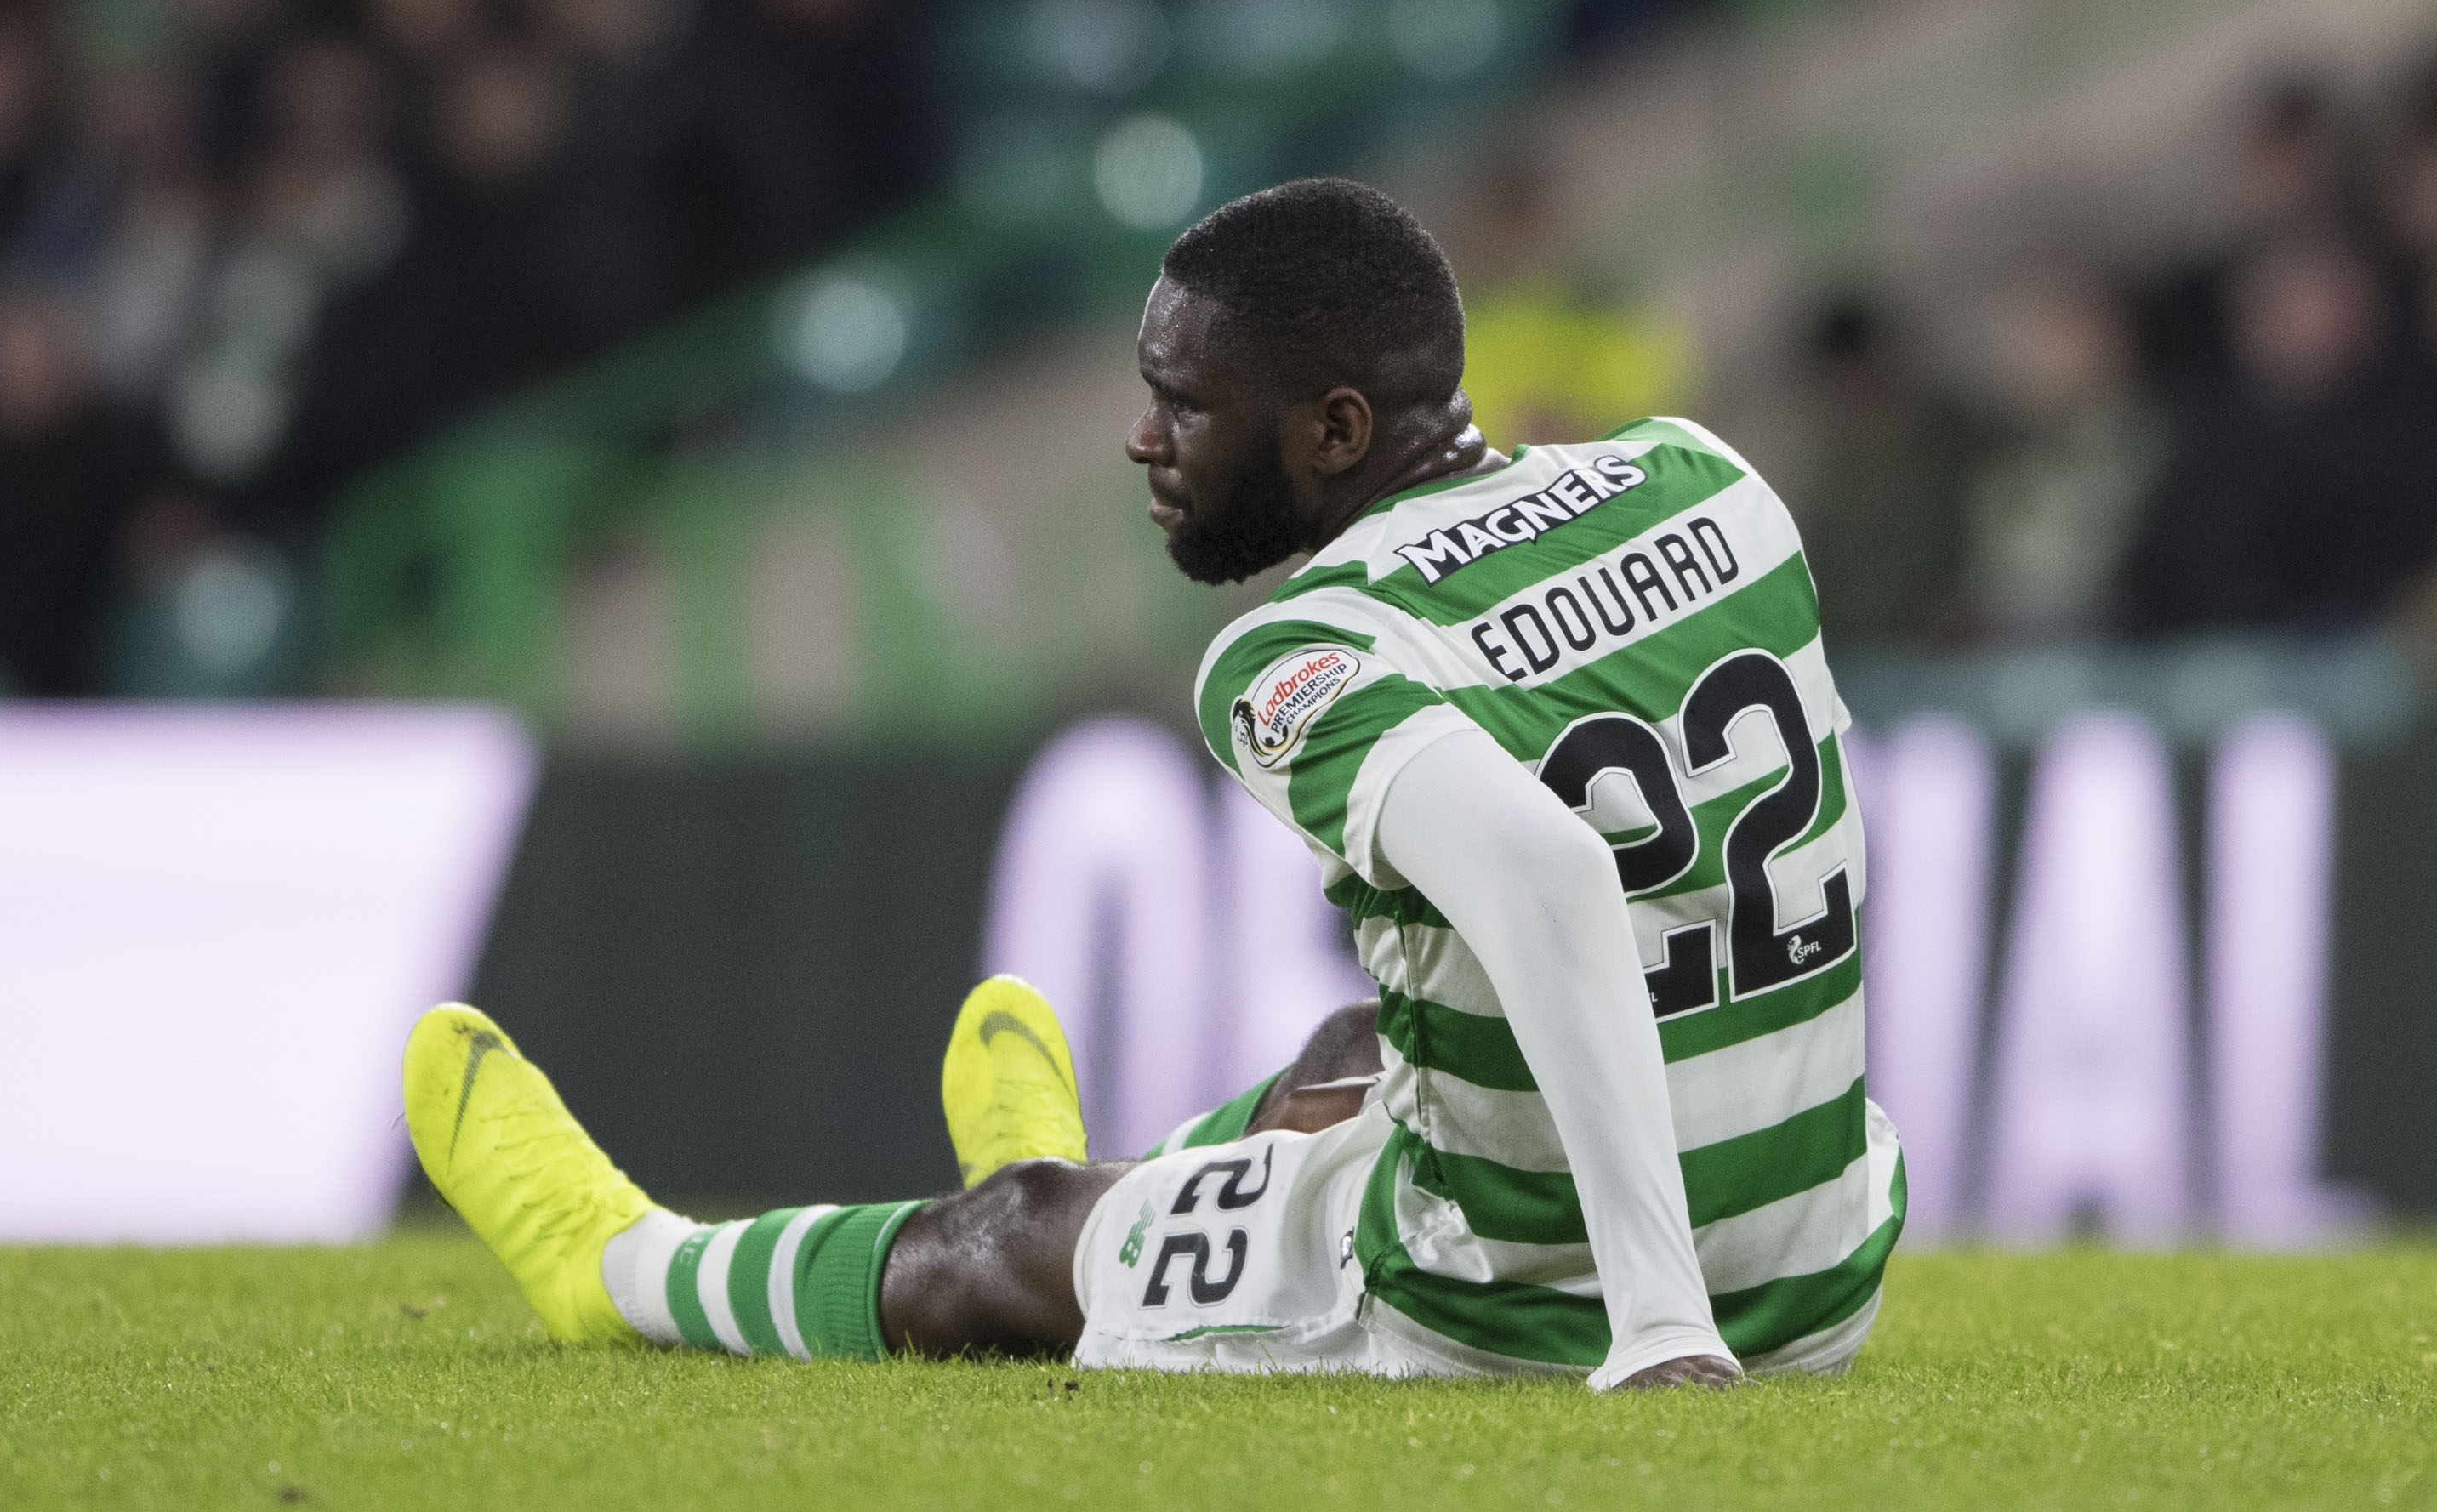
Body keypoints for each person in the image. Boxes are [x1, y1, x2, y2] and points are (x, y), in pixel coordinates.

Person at [400, 178, 1899, 1390]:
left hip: (1546, 1305)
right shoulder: (1706, 476)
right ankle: (1121, 1172)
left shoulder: (1307, 648)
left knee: (1013, 1238)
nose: (1144, 437)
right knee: (1349, 1042)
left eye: (1184, 401)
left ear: (1334, 430)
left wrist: (1662, 1331)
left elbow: (1556, 879)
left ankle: (619, 1265)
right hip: (1831, 1257)